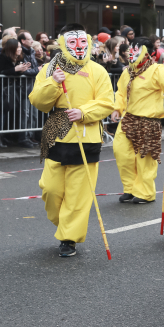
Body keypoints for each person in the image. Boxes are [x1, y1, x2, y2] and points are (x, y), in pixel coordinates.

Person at [29, 23, 114, 257]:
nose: (79, 47)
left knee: (78, 195)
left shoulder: (98, 71)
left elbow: (107, 102)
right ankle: (65, 225)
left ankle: (69, 238)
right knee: (50, 189)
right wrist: (53, 82)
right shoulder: (49, 68)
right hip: (56, 133)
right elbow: (38, 101)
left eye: (83, 42)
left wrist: (84, 113)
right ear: (63, 44)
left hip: (86, 137)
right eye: (73, 43)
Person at [111, 37, 164, 204]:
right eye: (131, 50)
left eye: (137, 50)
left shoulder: (157, 71)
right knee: (121, 152)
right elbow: (120, 92)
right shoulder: (128, 71)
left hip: (148, 121)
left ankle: (145, 192)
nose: (131, 53)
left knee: (145, 160)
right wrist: (117, 108)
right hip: (128, 118)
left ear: (149, 54)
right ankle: (130, 188)